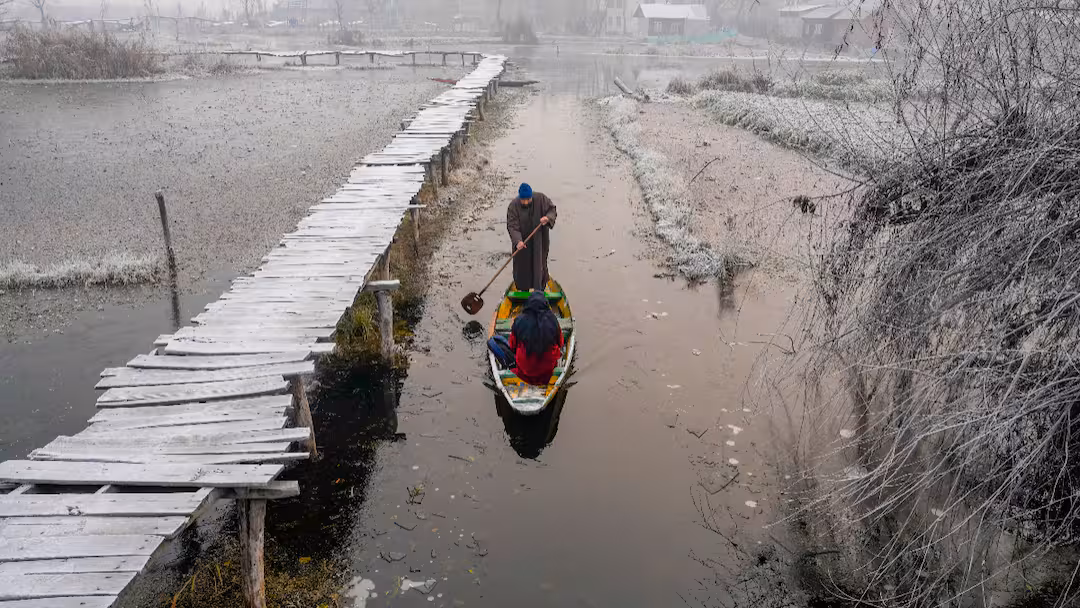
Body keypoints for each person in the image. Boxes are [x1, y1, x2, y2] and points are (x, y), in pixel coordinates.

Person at [507, 183, 557, 293]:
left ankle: (539, 292)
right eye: (523, 200)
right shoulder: (513, 206)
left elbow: (552, 210)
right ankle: (523, 293)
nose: (525, 202)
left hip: (539, 241)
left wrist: (547, 218)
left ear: (531, 196)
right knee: (522, 269)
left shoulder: (541, 199)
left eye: (528, 199)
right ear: (519, 197)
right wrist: (518, 241)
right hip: (522, 245)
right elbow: (512, 226)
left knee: (539, 266)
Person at [507, 291, 564, 386]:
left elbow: (512, 346)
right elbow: (560, 343)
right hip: (548, 369)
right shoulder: (553, 320)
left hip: (525, 369)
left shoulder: (519, 320)